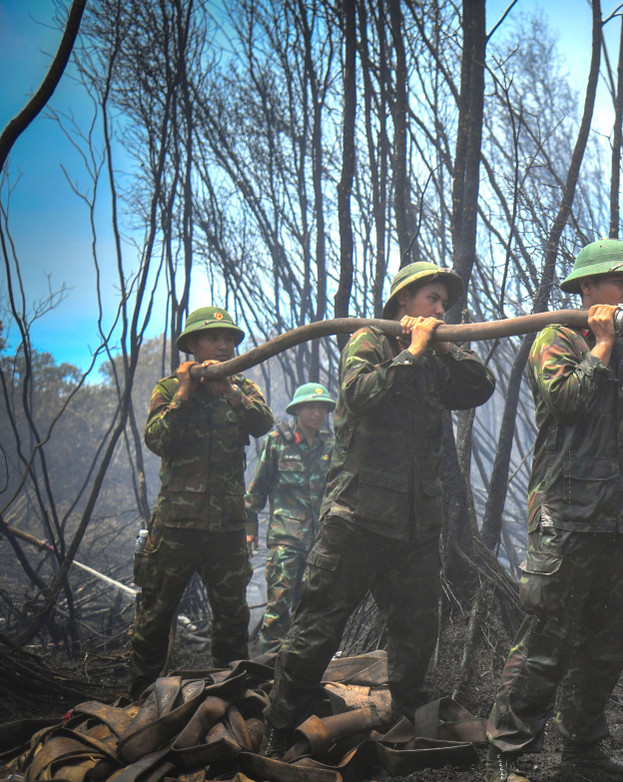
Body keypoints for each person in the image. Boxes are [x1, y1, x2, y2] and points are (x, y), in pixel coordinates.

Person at [261, 262, 496, 756]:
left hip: (413, 526)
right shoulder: (368, 341)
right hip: (357, 519)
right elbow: (360, 393)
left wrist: (442, 343)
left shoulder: (436, 357)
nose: (439, 309)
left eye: (443, 303)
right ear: (403, 303)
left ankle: (407, 720)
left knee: (417, 628)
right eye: (431, 299)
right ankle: (282, 727)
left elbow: (479, 386)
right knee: (319, 623)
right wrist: (411, 350)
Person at [485, 239, 623, 782]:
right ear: (587, 288)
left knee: (604, 649)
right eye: (621, 283)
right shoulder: (557, 339)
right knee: (544, 646)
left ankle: (583, 753)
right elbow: (566, 401)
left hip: (612, 518)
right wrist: (600, 344)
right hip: (563, 519)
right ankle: (509, 757)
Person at [132, 306, 275, 698]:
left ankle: (230, 695)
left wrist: (227, 391)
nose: (225, 345)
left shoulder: (242, 388)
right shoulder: (167, 390)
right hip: (175, 526)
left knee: (232, 618)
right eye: (214, 338)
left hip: (227, 528)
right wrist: (184, 393)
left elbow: (263, 423)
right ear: (192, 345)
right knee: (156, 615)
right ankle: (141, 695)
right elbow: (159, 440)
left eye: (229, 338)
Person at [244, 382, 337, 657]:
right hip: (285, 540)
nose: (317, 413)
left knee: (312, 612)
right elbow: (257, 489)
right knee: (277, 609)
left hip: (320, 543)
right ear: (297, 410)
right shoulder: (276, 442)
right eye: (311, 406)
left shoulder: (331, 446)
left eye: (322, 408)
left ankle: (303, 672)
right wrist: (250, 529)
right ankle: (267, 674)